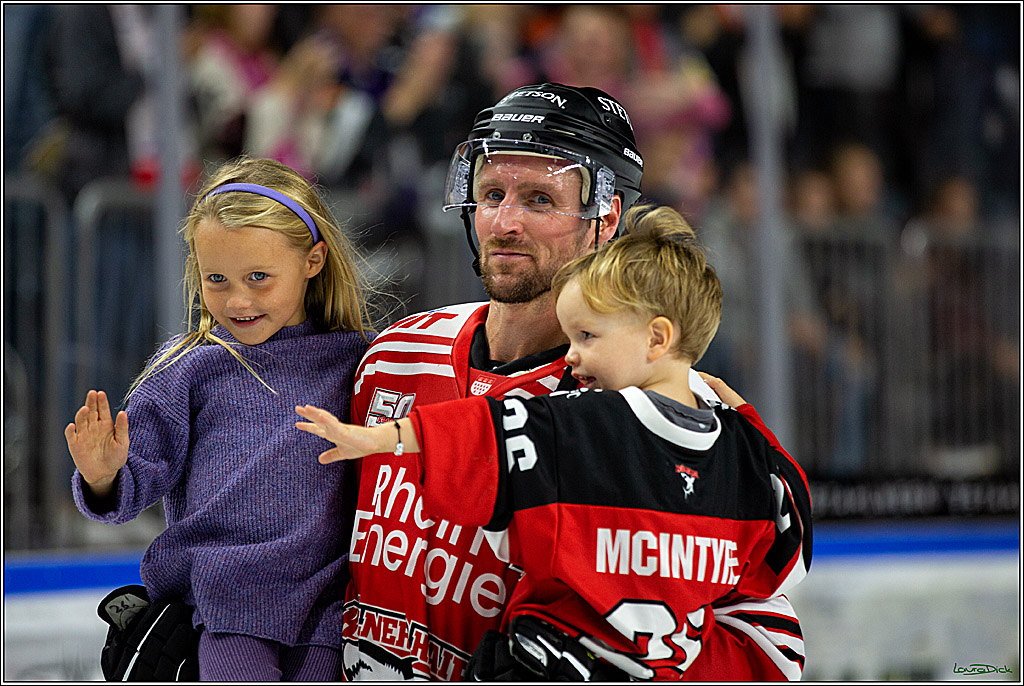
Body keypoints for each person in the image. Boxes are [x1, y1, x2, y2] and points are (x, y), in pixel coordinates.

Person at [330, 82, 808, 680]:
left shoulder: (660, 410)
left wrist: (609, 665)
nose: (503, 222)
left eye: (538, 199)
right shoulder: (396, 354)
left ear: (604, 216)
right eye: (492, 193)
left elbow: (767, 648)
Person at [64, 156, 374, 681]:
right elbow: (130, 487)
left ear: (313, 261)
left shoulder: (360, 360)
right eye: (217, 279)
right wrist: (102, 476)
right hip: (227, 602)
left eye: (259, 277)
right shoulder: (189, 367)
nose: (238, 299)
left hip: (327, 606)